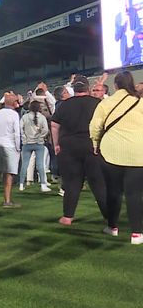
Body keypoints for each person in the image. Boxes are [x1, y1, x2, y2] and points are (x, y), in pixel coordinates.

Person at [90, 71, 143, 244]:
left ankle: (112, 227)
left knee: (113, 191)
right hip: (138, 152)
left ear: (115, 86)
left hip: (111, 152)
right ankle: (136, 233)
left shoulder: (106, 103)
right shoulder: (140, 102)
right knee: (134, 193)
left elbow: (95, 126)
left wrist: (95, 144)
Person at [51, 75, 107, 226]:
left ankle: (68, 217)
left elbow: (54, 125)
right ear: (88, 88)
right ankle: (109, 217)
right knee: (98, 183)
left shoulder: (64, 105)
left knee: (72, 183)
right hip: (92, 147)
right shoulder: (97, 103)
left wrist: (56, 144)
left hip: (69, 148)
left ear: (73, 88)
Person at [0, 93, 21, 208]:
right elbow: (17, 133)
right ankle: (7, 200)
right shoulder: (14, 114)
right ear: (14, 103)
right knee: (9, 173)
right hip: (10, 145)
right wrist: (18, 147)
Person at [19, 101, 51, 192]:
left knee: (24, 164)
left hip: (27, 143)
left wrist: (24, 139)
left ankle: (21, 184)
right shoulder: (42, 117)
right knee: (40, 164)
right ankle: (43, 185)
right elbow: (45, 130)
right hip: (38, 143)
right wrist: (40, 137)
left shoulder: (25, 117)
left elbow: (20, 128)